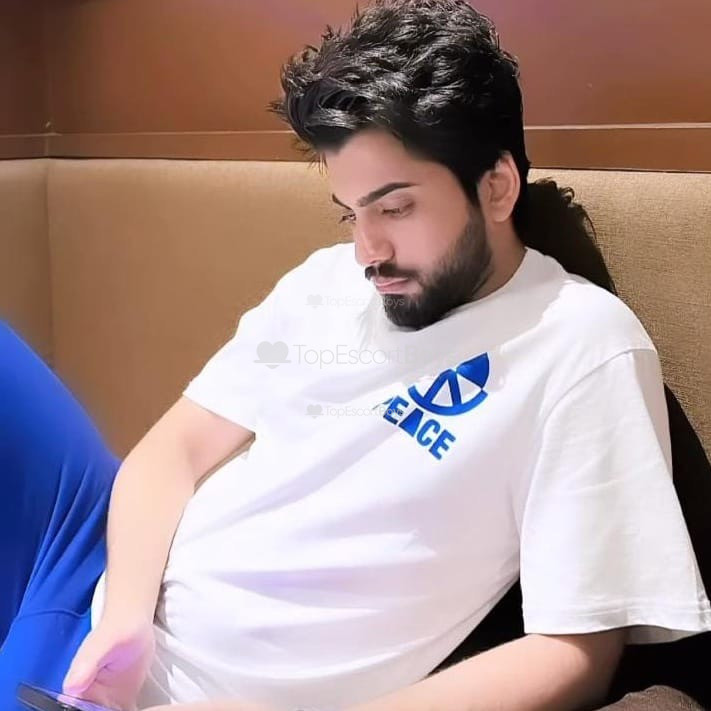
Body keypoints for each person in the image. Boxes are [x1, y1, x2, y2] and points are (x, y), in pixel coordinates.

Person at [3, 1, 710, 710]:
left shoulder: (579, 344)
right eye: (351, 213)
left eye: (395, 208)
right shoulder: (324, 278)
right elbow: (175, 450)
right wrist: (125, 619)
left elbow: (576, 650)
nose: (367, 251)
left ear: (496, 186)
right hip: (97, 584)